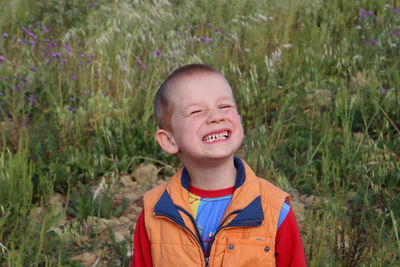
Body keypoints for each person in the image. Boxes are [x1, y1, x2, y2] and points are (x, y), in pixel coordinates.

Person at [131, 64, 306, 267]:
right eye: (196, 111)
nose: (216, 117)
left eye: (225, 106)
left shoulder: (274, 209)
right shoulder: (155, 212)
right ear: (169, 141)